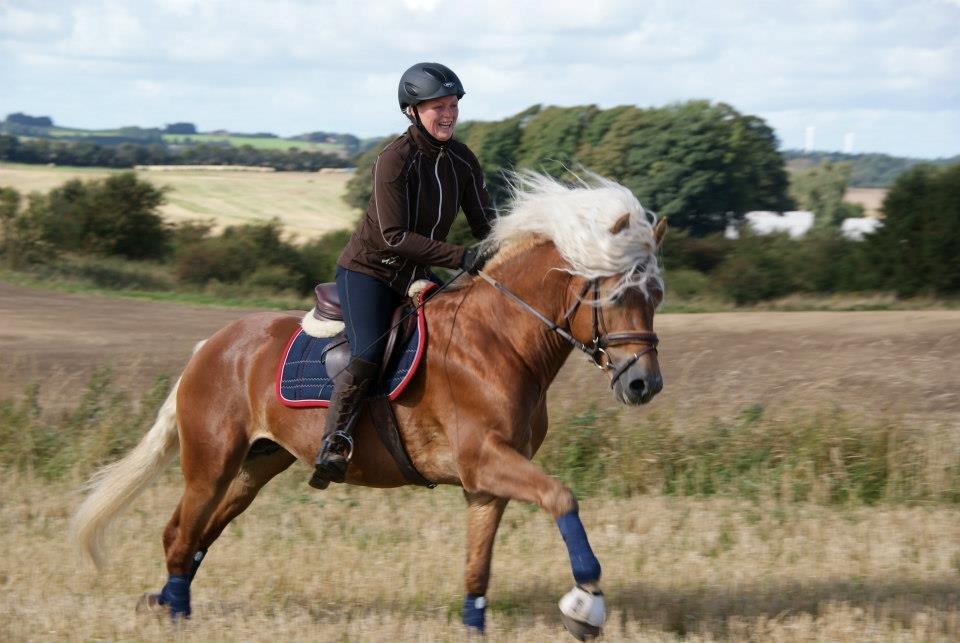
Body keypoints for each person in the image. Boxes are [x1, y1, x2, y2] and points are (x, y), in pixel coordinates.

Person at [309, 62, 494, 489]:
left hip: (417, 272)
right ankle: (334, 443)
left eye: (453, 106)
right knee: (369, 353)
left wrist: (511, 248)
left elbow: (486, 223)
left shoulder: (462, 160)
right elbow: (392, 237)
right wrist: (460, 257)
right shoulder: (394, 160)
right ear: (412, 111)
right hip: (370, 272)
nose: (448, 114)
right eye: (437, 107)